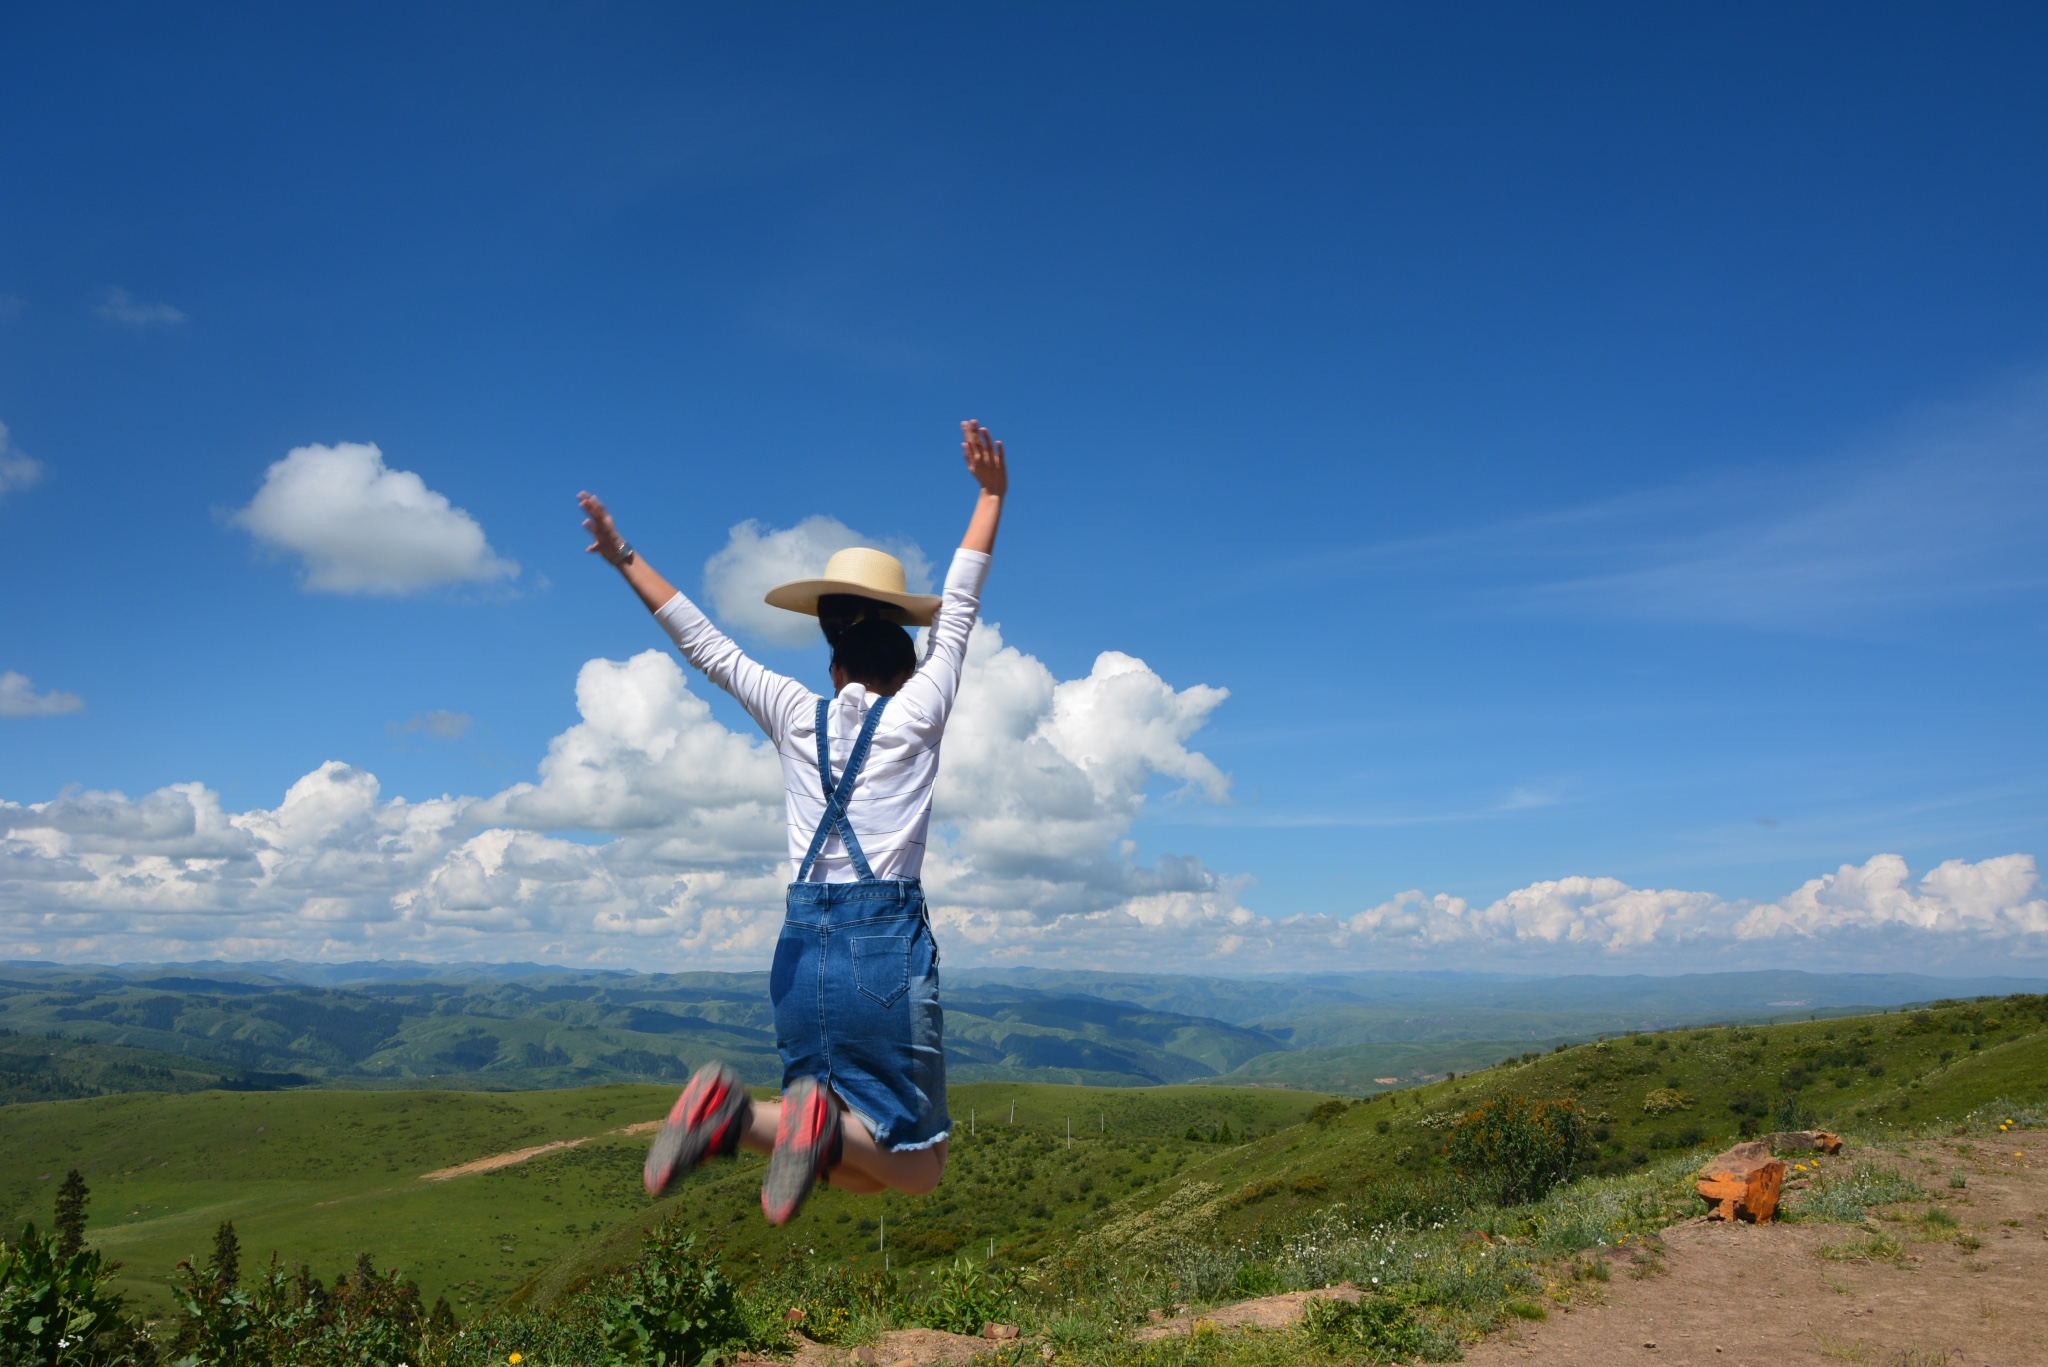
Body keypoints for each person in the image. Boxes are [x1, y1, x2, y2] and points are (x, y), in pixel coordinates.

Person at [577, 420, 1007, 1225]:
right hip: (882, 948)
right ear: (903, 649)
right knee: (919, 1168)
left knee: (844, 1164)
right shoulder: (921, 708)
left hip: (799, 948)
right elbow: (963, 605)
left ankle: (737, 1118)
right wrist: (991, 493)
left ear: (832, 651)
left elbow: (705, 645)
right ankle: (751, 1120)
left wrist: (624, 553)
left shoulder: (792, 712)